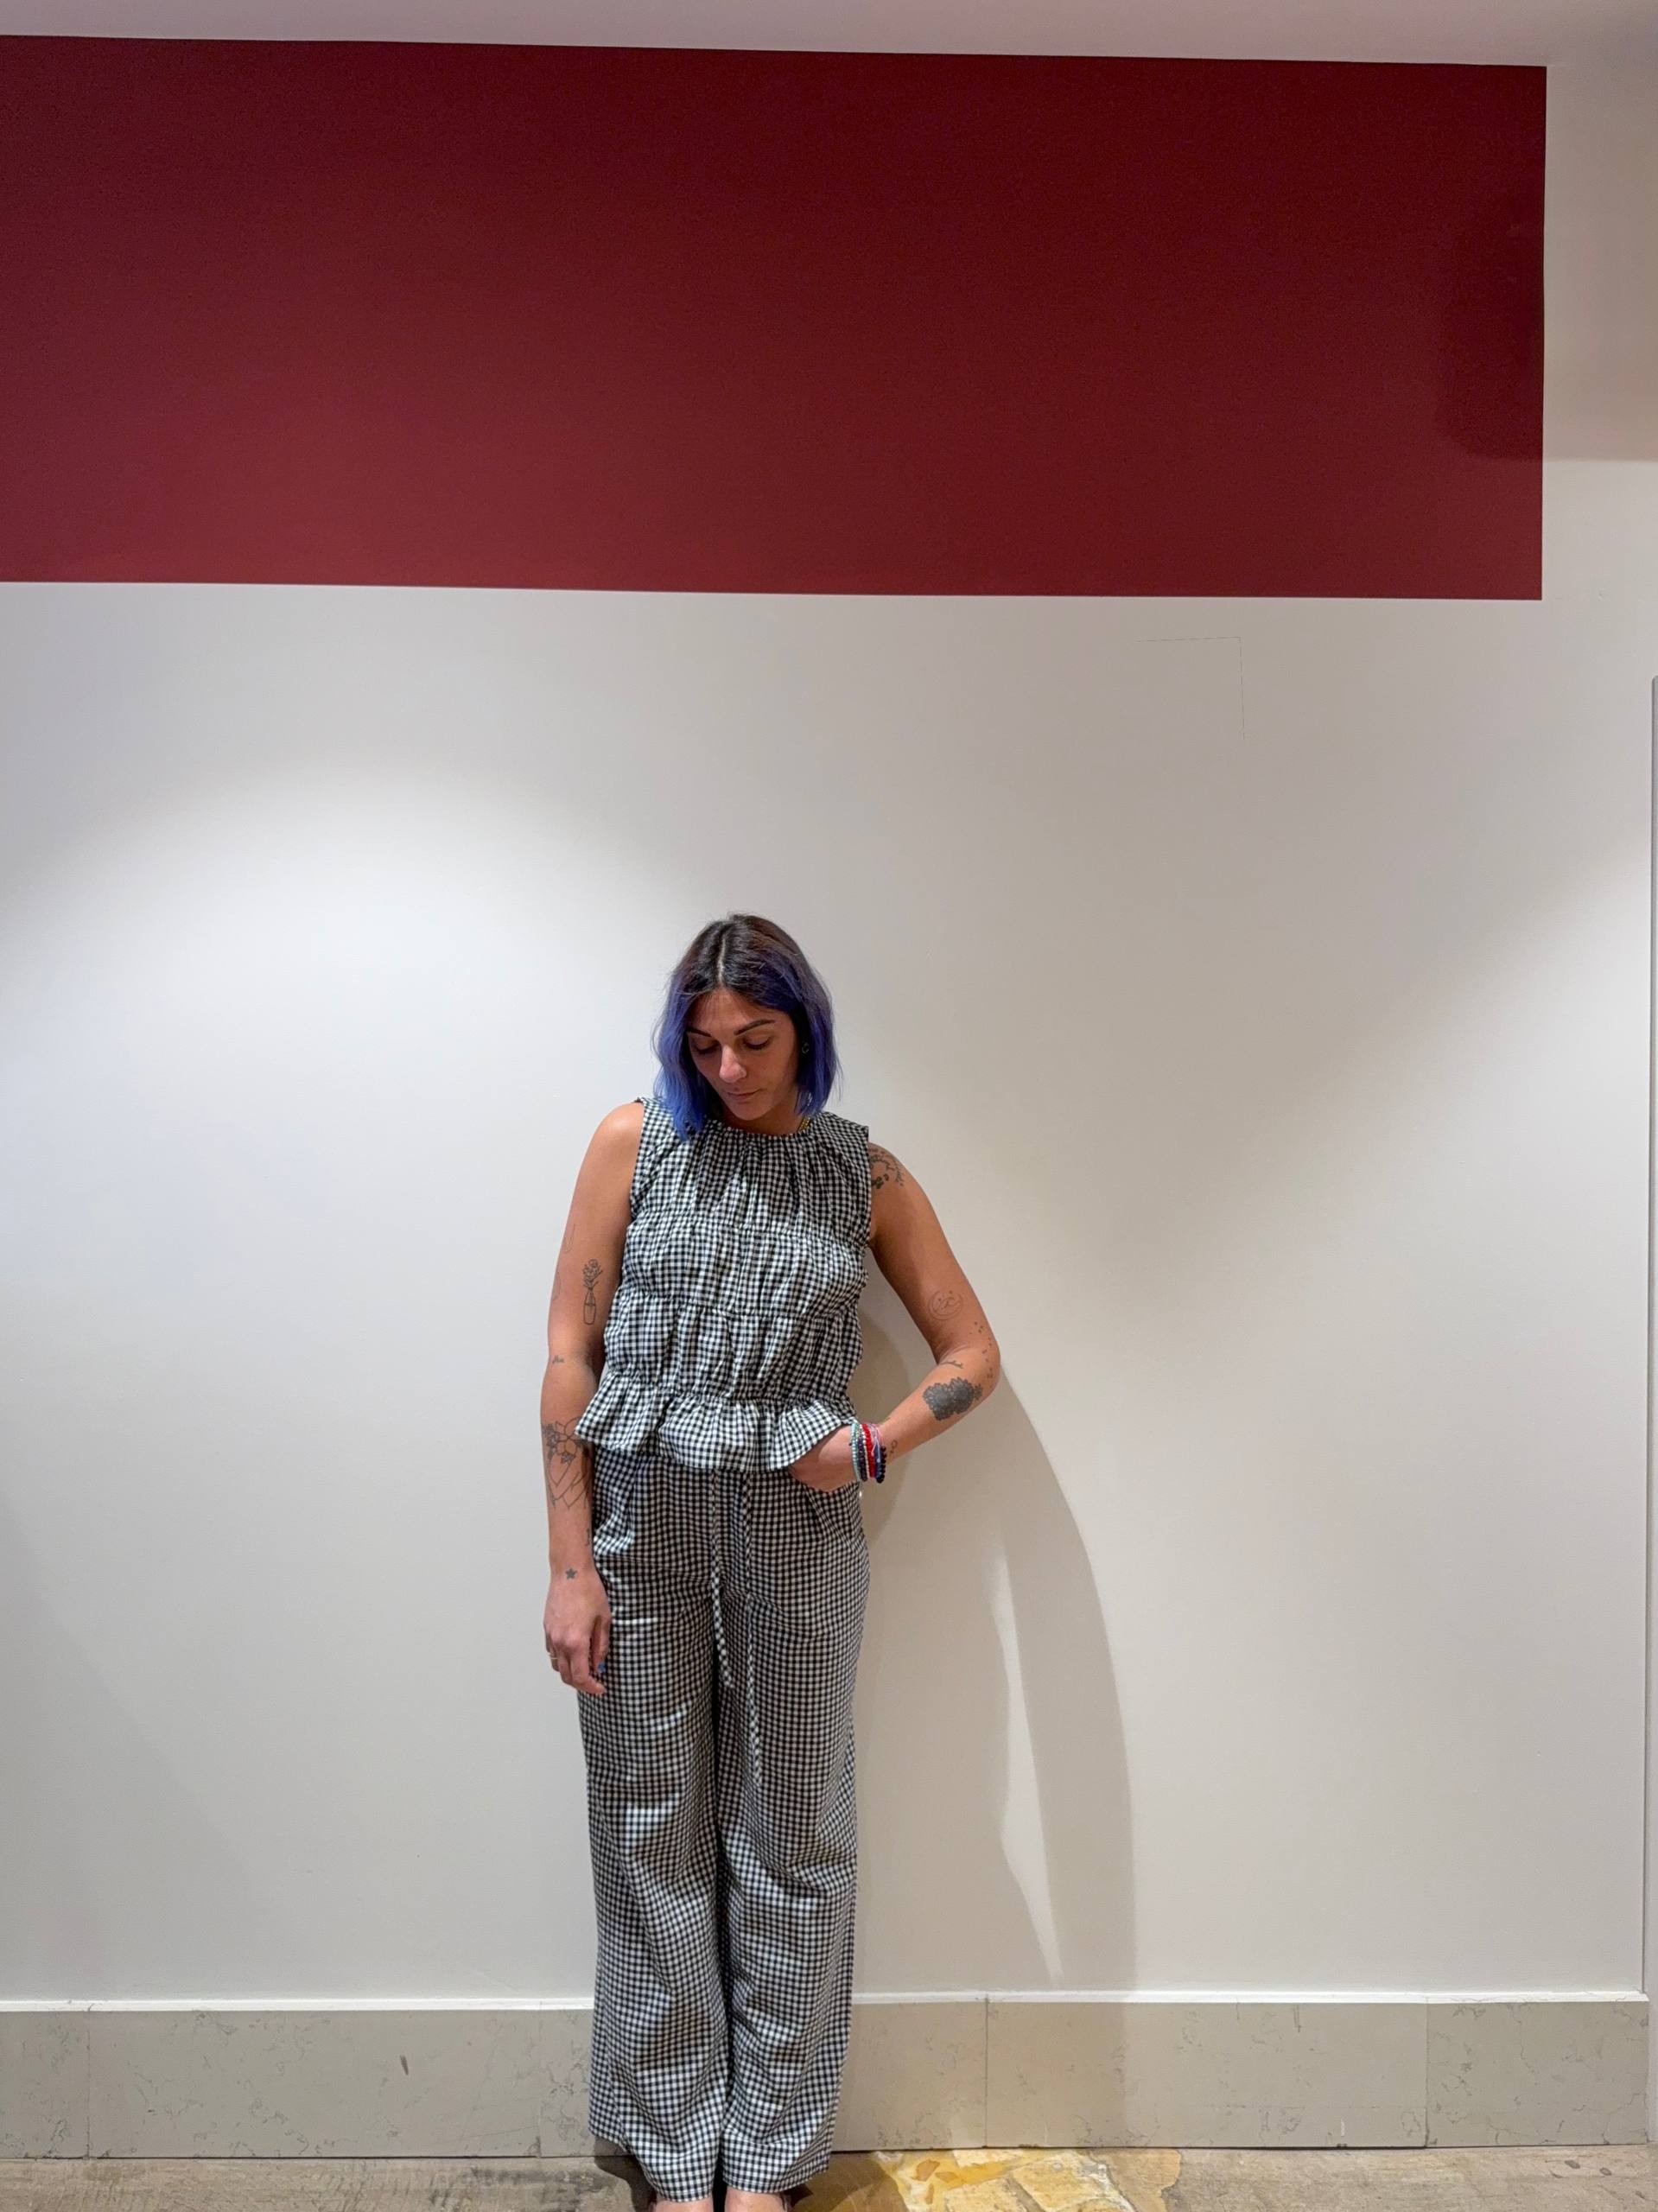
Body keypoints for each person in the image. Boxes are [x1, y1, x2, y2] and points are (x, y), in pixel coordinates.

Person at [540, 912, 1001, 2212]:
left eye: (756, 1039)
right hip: (640, 1524)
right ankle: (676, 2156)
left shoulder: (865, 1174)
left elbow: (973, 1354)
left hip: (796, 1533)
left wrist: (870, 1444)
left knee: (793, 1829)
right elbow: (571, 1351)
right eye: (705, 1044)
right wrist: (569, 1564)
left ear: (806, 1030)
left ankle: (770, 2163)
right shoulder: (633, 1143)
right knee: (649, 1828)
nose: (731, 1069)